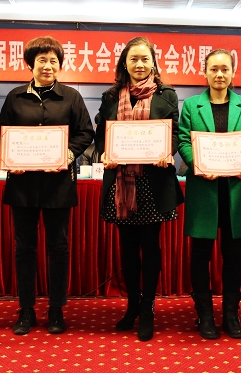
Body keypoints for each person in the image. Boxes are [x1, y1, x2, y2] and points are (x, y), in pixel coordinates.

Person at [0, 36, 94, 336]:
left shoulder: (71, 97)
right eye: (41, 60)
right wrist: (9, 158)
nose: (47, 66)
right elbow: (2, 134)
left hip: (58, 184)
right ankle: (26, 308)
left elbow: (85, 132)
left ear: (59, 65)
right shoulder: (15, 97)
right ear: (30, 64)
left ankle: (56, 308)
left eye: (53, 61)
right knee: (24, 247)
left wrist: (68, 154)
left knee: (58, 247)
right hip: (22, 183)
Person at [95, 36, 184, 342]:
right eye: (133, 59)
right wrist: (104, 153)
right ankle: (132, 304)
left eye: (145, 59)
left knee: (151, 247)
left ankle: (147, 308)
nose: (139, 64)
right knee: (128, 249)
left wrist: (167, 151)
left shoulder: (166, 95)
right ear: (124, 63)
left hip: (151, 183)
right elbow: (101, 136)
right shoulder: (110, 97)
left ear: (153, 63)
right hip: (121, 184)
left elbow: (174, 133)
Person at [178, 49, 241, 340]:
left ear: (233, 72)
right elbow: (183, 140)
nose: (219, 74)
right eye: (214, 69)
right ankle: (205, 314)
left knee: (233, 255)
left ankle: (231, 314)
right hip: (204, 189)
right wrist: (198, 164)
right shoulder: (192, 105)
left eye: (225, 69)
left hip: (235, 190)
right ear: (205, 72)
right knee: (201, 254)